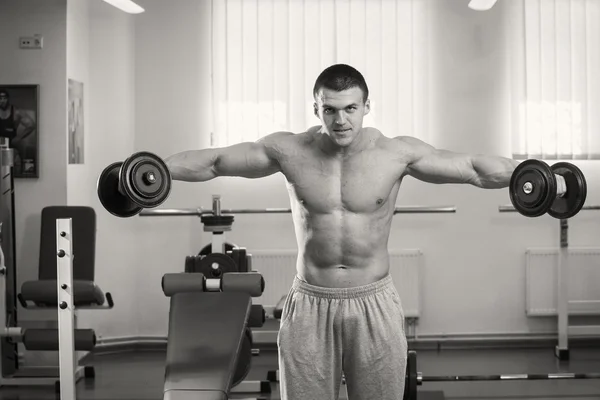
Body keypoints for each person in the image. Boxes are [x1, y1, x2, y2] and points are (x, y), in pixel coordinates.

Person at [163, 64, 519, 400]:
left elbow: (473, 168)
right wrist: (153, 170)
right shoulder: (289, 151)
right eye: (330, 109)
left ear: (367, 106)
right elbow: (215, 162)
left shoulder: (395, 153)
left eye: (350, 108)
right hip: (310, 303)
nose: (341, 120)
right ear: (315, 108)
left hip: (374, 302)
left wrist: (538, 176)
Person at [0, 89, 36, 173]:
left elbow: (31, 125)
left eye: (4, 98)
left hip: (9, 148)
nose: (2, 101)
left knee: (8, 172)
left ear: (8, 99)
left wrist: (19, 137)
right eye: (0, 98)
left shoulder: (16, 112)